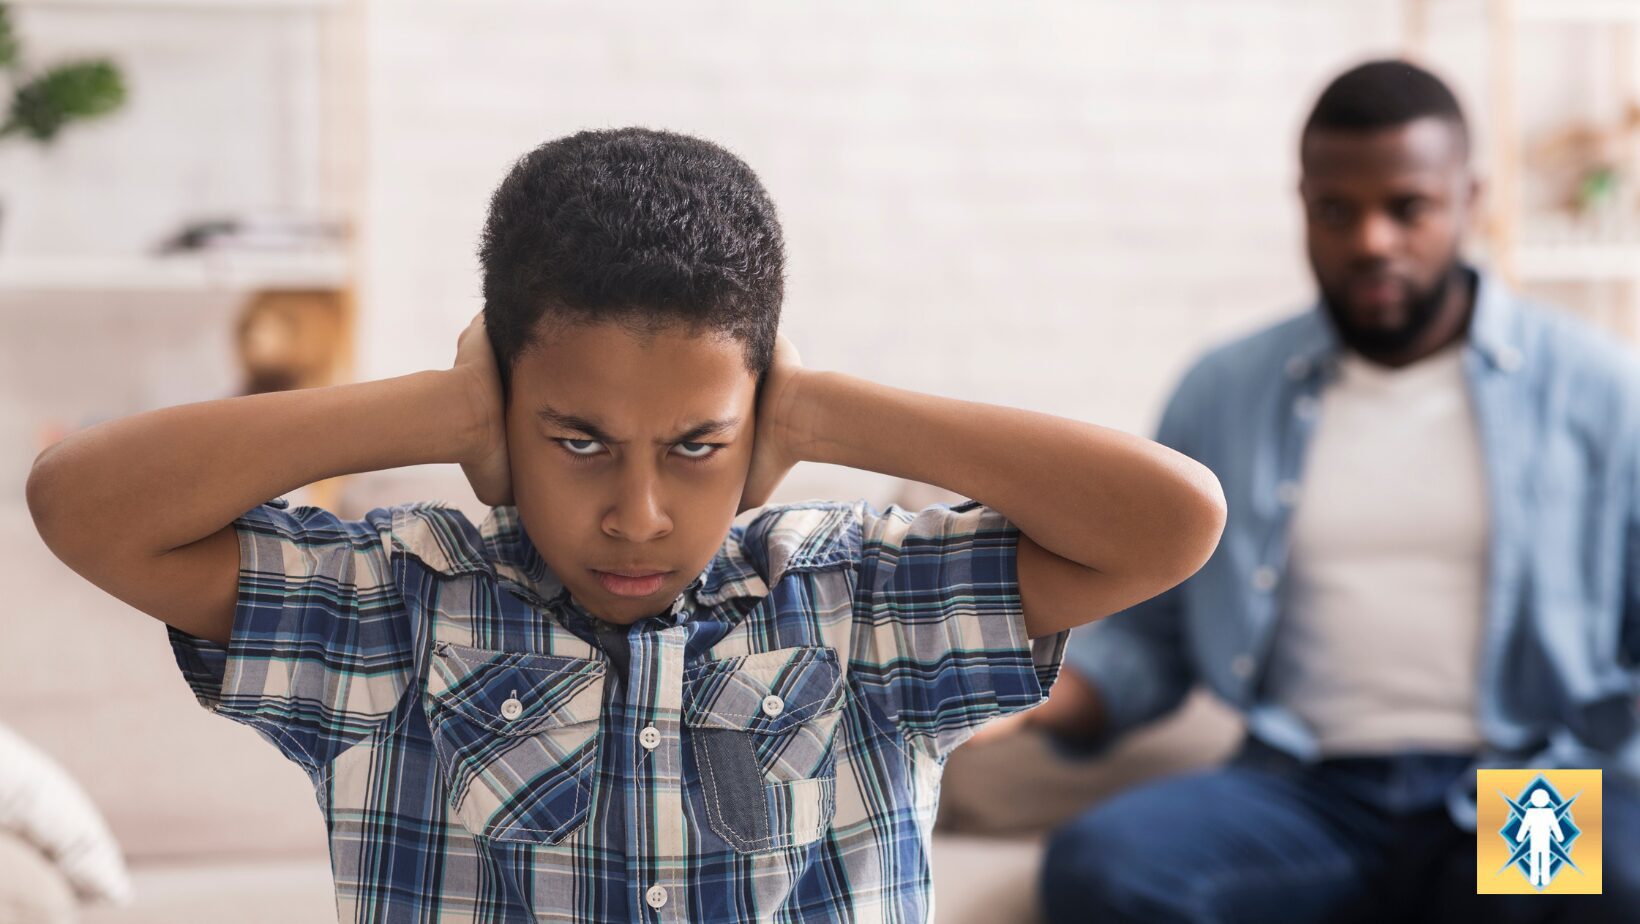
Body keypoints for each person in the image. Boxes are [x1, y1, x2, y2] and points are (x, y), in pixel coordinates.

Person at [24, 127, 1226, 923]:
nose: (637, 515)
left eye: (697, 445)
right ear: (506, 408)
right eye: (578, 441)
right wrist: (440, 407)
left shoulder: (855, 608)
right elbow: (79, 502)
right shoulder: (399, 609)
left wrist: (821, 409)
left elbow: (1172, 520)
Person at [1006, 60, 1640, 923]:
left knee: (1599, 888)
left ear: (1472, 200)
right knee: (1105, 869)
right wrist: (1020, 695)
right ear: (1303, 205)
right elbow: (1152, 631)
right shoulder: (1223, 392)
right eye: (1336, 210)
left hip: (1519, 790)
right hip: (1305, 790)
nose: (1372, 240)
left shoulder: (1599, 390)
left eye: (1406, 207)